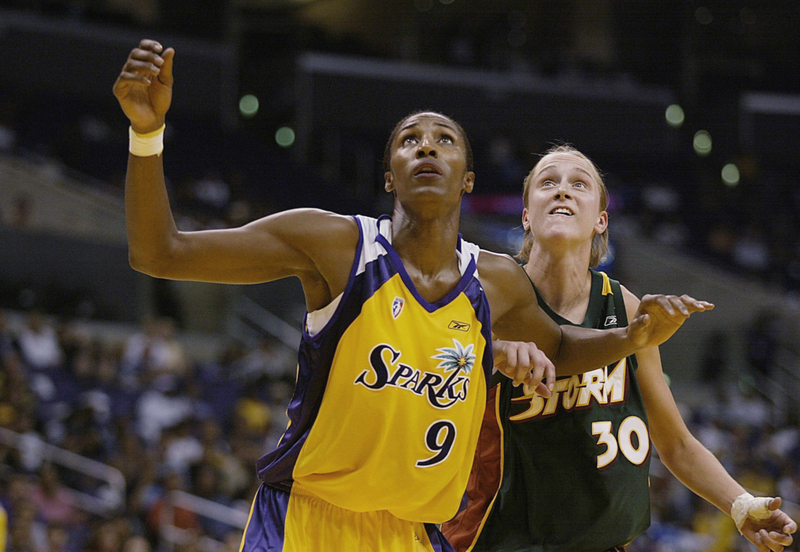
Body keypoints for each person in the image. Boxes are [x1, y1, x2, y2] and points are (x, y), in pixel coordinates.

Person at [113, 41, 712, 552]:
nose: (427, 147)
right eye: (410, 140)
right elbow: (159, 253)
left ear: (468, 180)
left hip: (413, 532)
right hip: (307, 518)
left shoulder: (497, 280)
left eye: (445, 140)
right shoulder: (331, 244)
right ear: (388, 175)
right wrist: (146, 134)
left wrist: (631, 338)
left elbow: (558, 345)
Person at [442, 145, 797, 552]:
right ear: (526, 215)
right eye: (547, 183)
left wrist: (740, 504)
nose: (562, 191)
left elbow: (675, 443)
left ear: (600, 220)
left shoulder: (624, 307)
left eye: (579, 183)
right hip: (496, 539)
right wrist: (494, 354)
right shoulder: (492, 295)